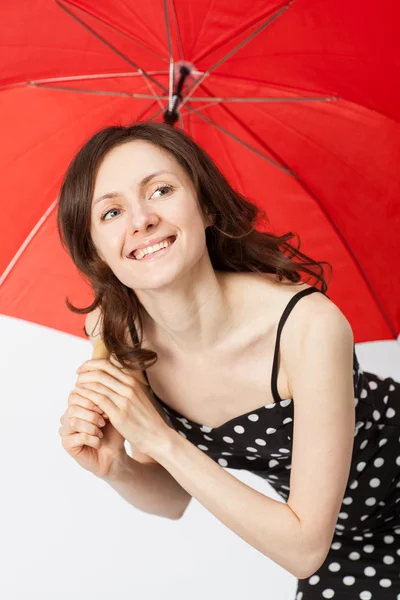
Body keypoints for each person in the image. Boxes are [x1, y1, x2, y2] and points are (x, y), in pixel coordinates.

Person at [57, 121, 400, 599]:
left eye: (160, 189)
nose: (141, 220)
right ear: (96, 251)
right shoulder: (123, 340)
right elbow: (173, 499)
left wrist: (160, 437)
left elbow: (303, 550)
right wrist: (115, 466)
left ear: (207, 207)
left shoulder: (307, 327)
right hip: (336, 537)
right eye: (111, 212)